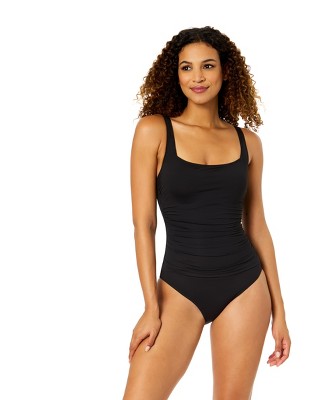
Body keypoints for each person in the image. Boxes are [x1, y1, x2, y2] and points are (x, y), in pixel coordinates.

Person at [123, 26, 291, 400]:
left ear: (225, 71)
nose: (197, 77)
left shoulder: (249, 143)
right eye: (186, 67)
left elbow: (257, 226)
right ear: (175, 74)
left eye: (208, 66)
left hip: (245, 287)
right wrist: (151, 306)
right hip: (177, 289)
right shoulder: (154, 131)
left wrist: (279, 311)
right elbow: (144, 224)